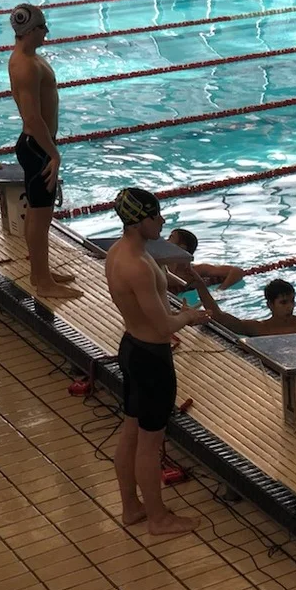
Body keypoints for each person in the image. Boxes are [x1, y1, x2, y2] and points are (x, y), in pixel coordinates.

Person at [105, 187, 208, 536]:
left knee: (131, 431)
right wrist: (189, 316)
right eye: (156, 215)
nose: (162, 221)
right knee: (150, 444)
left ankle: (131, 507)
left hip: (132, 347)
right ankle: (158, 519)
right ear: (139, 221)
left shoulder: (119, 252)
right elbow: (164, 326)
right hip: (151, 359)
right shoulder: (137, 266)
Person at [8, 3, 80, 299]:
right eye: (41, 27)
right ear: (28, 30)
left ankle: (41, 273)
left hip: (37, 145)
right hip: (37, 147)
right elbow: (32, 118)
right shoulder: (25, 65)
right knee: (40, 219)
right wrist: (54, 154)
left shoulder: (29, 58)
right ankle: (44, 283)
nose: (46, 31)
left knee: (39, 217)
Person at [183, 268, 296, 336]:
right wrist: (201, 286)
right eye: (283, 303)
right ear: (270, 305)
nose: (290, 307)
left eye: (292, 301)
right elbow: (218, 317)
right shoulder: (260, 329)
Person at [166, 228, 244, 293]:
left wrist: (220, 291)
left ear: (181, 248)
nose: (166, 241)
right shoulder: (162, 268)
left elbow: (236, 271)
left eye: (170, 238)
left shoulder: (197, 270)